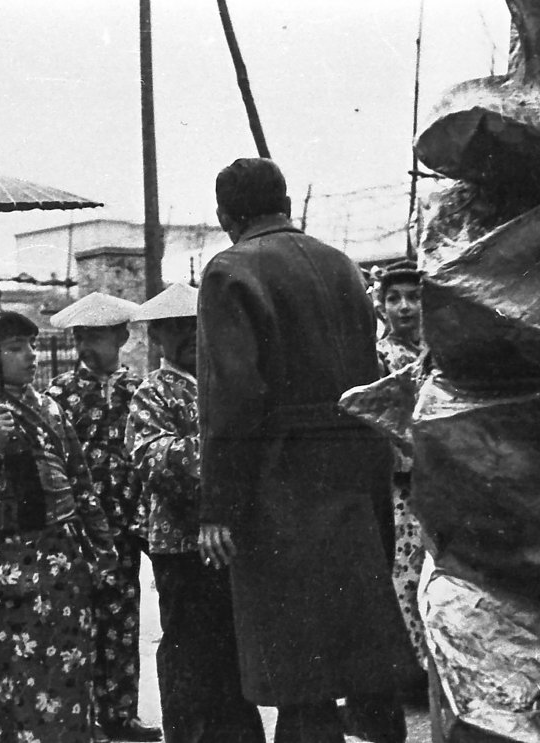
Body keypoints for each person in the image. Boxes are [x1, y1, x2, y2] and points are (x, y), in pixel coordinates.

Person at [196, 158, 418, 743]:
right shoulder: (342, 264)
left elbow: (235, 395)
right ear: (286, 201)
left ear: (225, 216)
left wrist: (219, 504)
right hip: (355, 465)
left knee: (299, 666)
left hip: (282, 474)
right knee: (360, 636)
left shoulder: (230, 270)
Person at [0, 308, 118, 743]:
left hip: (61, 555)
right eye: (15, 349)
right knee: (9, 670)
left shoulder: (51, 409)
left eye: (32, 346)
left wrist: (100, 547)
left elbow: (80, 481)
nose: (31, 357)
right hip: (3, 560)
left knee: (65, 666)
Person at [125, 283, 265, 743]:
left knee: (232, 651)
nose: (186, 338)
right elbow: (152, 456)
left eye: (193, 327)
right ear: (157, 338)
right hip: (180, 542)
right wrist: (222, 452)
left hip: (233, 539)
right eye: (172, 329)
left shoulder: (225, 382)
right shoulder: (154, 391)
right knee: (188, 650)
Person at [48, 292, 157, 743]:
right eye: (81, 337)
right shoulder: (59, 394)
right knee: (78, 620)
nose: (86, 347)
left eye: (97, 336)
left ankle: (121, 713)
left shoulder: (139, 390)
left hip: (126, 526)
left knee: (123, 619)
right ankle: (82, 716)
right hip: (76, 528)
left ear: (122, 336)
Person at [373, 260, 430, 687]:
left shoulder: (439, 352)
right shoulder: (379, 357)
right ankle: (411, 673)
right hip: (403, 485)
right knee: (405, 574)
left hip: (444, 479)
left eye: (413, 297)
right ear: (382, 307)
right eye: (395, 299)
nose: (405, 307)